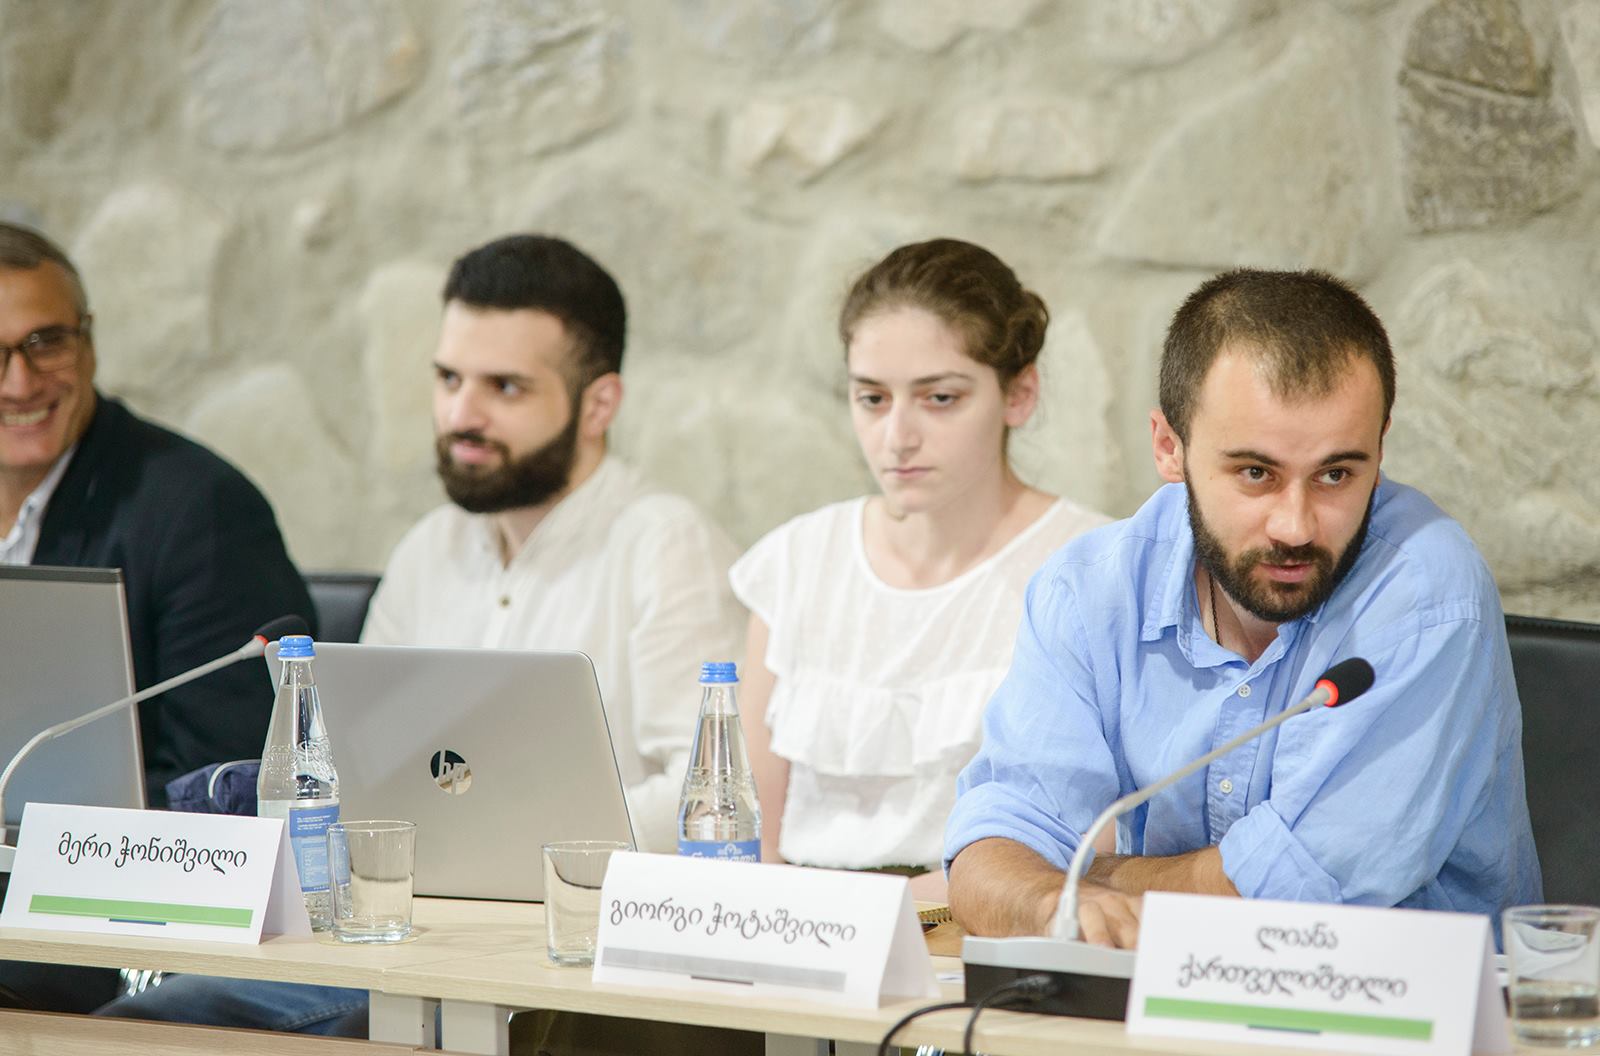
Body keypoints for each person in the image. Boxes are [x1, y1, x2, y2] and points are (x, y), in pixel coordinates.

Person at [99, 234, 746, 1045]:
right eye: (449, 379)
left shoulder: (665, 545)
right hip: (395, 940)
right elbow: (358, 764)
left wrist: (516, 845)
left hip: (568, 960)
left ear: (599, 403)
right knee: (134, 1023)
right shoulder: (428, 550)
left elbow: (705, 807)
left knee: (169, 1028)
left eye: (504, 387)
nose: (461, 415)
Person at [945, 268, 1542, 948]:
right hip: (1166, 999)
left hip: (1399, 1000)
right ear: (1169, 447)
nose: (1295, 526)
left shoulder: (1428, 593)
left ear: (1380, 449)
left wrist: (1089, 879)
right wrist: (1042, 898)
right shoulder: (1087, 591)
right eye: (1256, 473)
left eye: (1337, 475)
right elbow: (994, 844)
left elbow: (1298, 896)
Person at [733, 238, 1111, 900]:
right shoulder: (796, 562)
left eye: (939, 398)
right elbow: (748, 832)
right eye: (872, 398)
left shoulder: (1088, 568)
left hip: (976, 923)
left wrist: (894, 919)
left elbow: (1085, 845)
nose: (898, 437)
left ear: (1019, 394)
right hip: (795, 923)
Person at [0, 223, 315, 1011]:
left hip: (106, 924)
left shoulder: (198, 510)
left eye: (45, 342)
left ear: (89, 342)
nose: (19, 381)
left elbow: (230, 785)